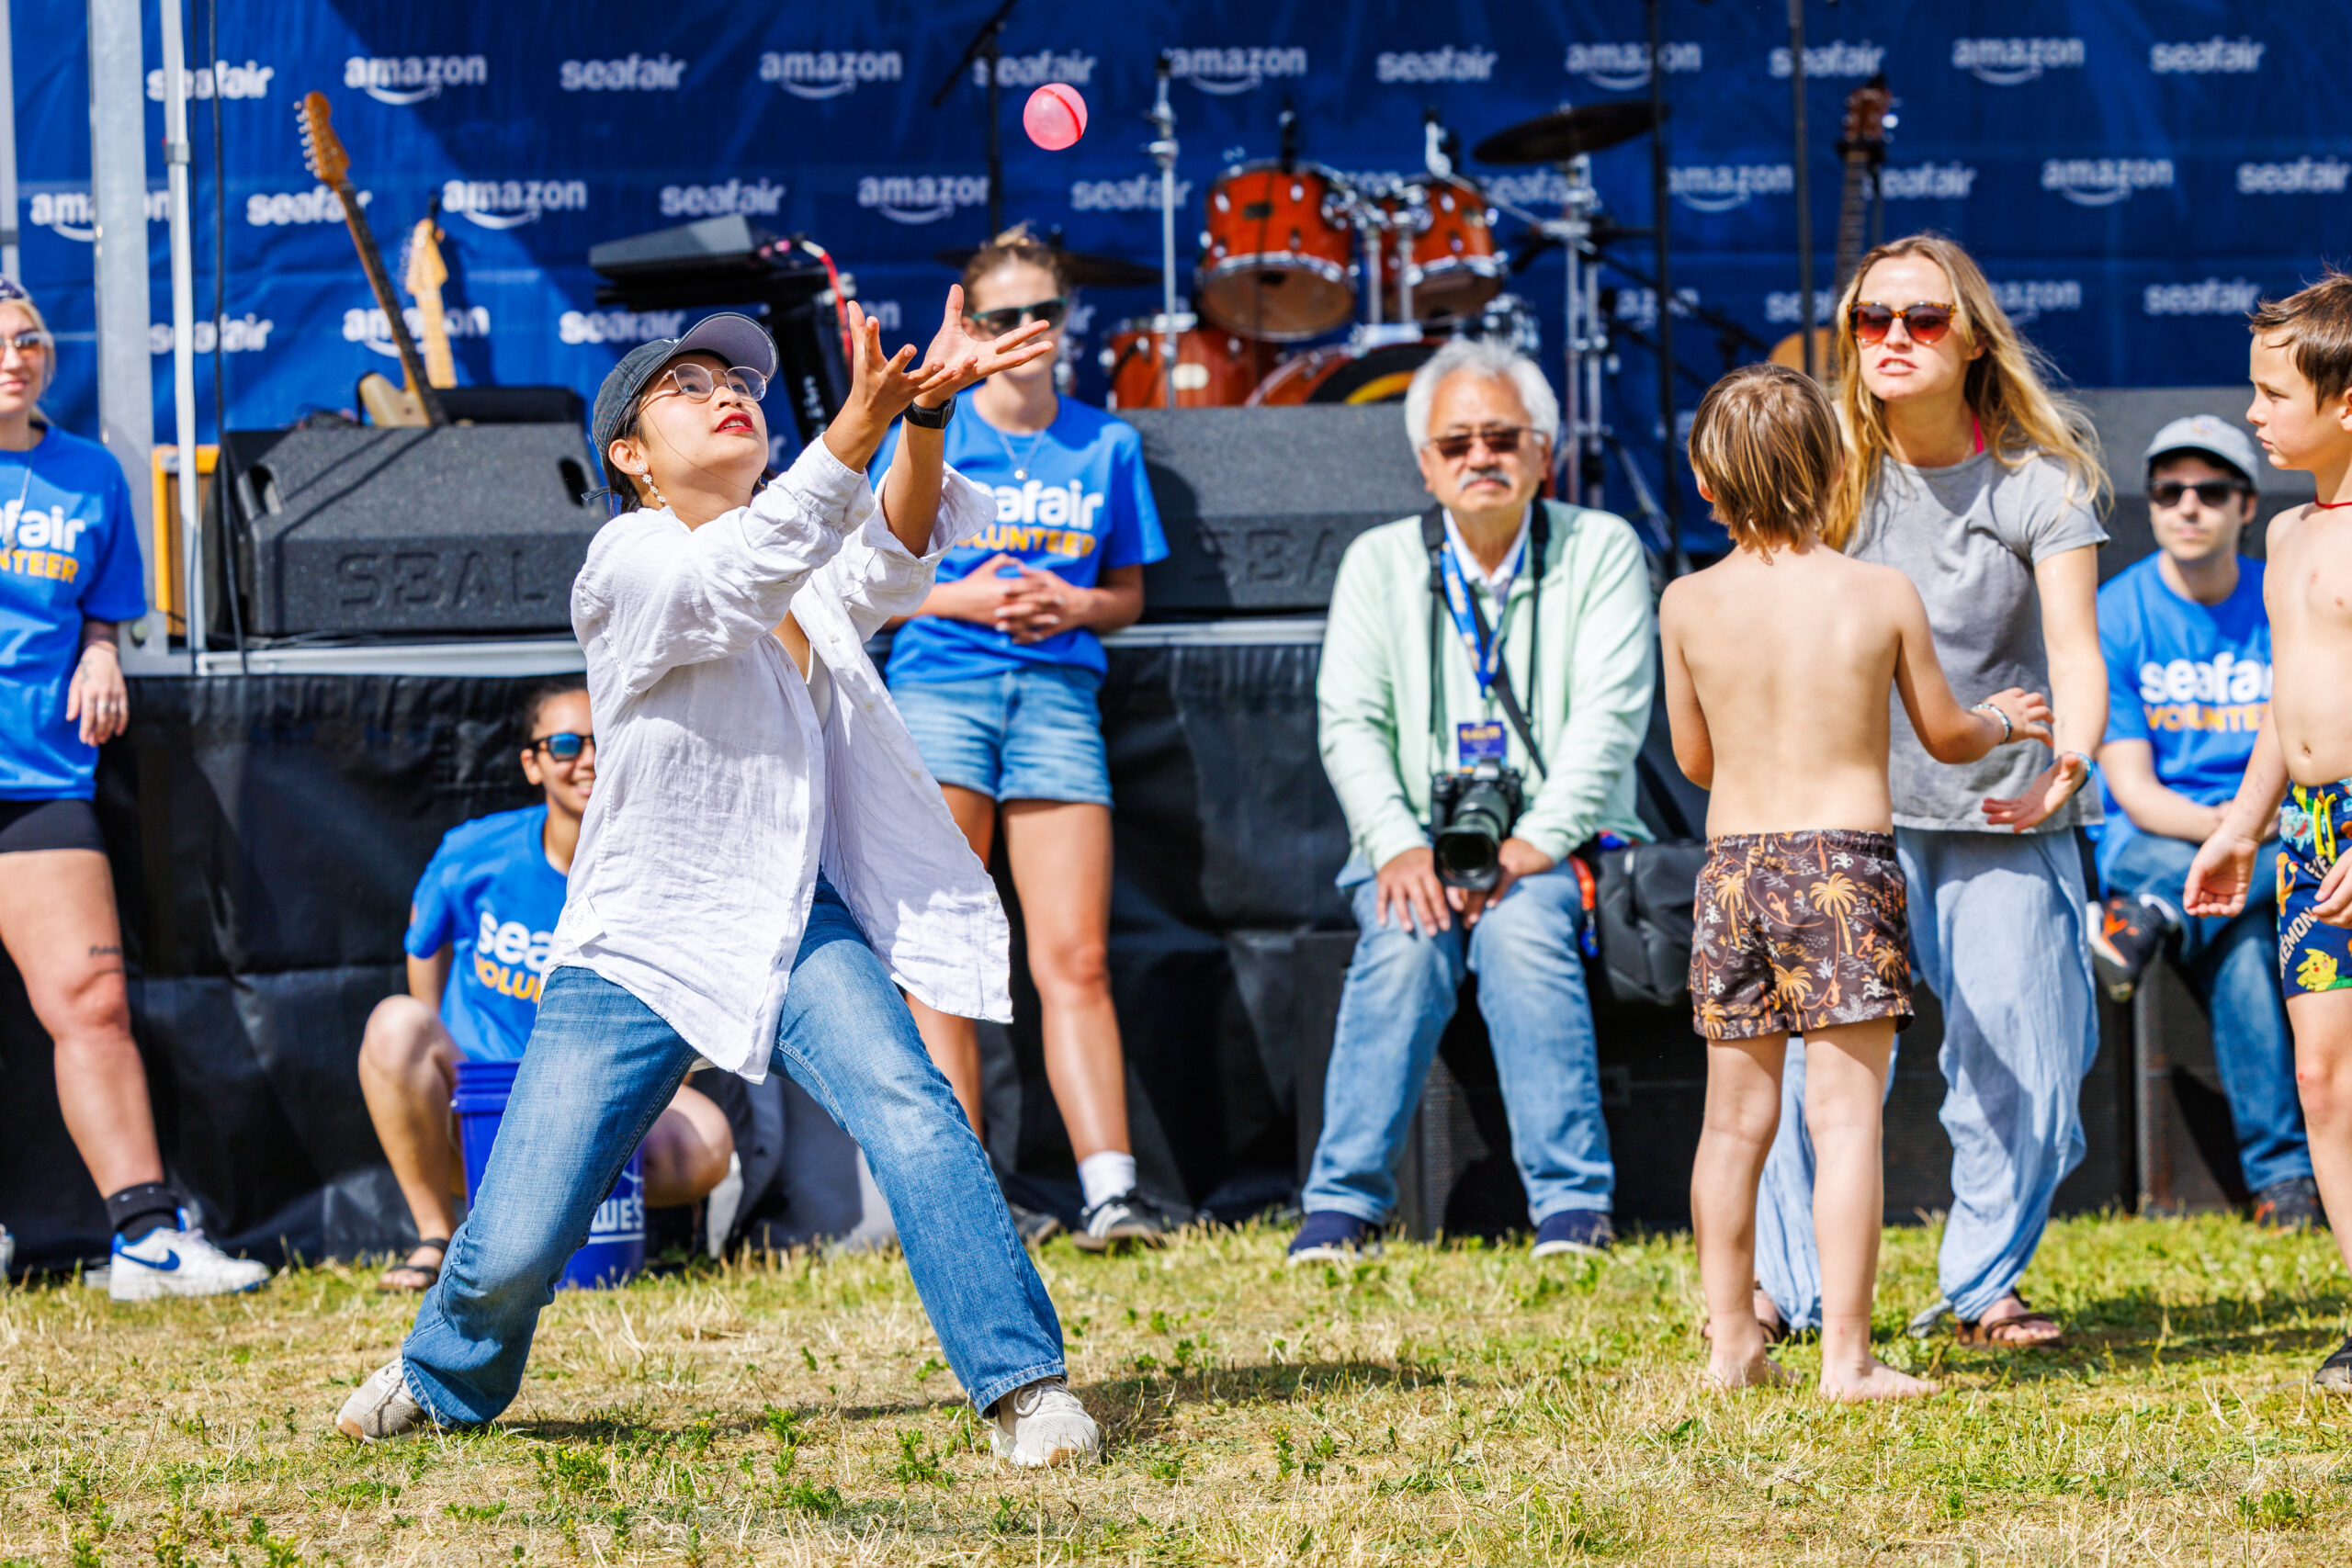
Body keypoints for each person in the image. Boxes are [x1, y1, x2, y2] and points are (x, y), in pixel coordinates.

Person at [336, 292, 1108, 1469]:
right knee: (520, 1235)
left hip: (793, 916)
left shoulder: (798, 551)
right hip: (638, 935)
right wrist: (856, 428)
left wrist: (924, 421)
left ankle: (1023, 1385)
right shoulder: (626, 562)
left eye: (737, 381)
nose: (726, 395)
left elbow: (894, 555)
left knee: (913, 1111)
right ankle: (444, 1370)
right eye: (685, 389)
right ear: (631, 459)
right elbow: (736, 578)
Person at [1663, 364, 2051, 1399]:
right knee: (1843, 1124)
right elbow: (1946, 733)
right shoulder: (1879, 593)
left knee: (1731, 1126)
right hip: (1844, 867)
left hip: (1735, 868)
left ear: (1706, 483)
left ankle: (1732, 1346)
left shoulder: (1687, 602)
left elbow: (1695, 761)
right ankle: (1847, 1358)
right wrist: (2006, 720)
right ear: (1838, 473)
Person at [1751, 234, 2109, 1350]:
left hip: (2003, 809)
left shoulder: (2038, 482)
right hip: (1844, 816)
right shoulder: (1822, 473)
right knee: (1810, 1065)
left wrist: (2070, 762)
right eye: (1871, 319)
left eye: (1921, 318)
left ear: (1973, 341)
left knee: (2031, 1069)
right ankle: (1786, 1290)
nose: (1892, 337)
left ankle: (1982, 1283)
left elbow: (2076, 652)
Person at [1290, 336, 1655, 1265]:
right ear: (1425, 463)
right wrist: (1396, 844)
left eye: (1501, 437)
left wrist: (1535, 843)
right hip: (1412, 841)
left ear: (1544, 450)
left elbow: (1611, 720)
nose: (1479, 457)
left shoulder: (1602, 547)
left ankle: (1572, 1209)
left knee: (1523, 929)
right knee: (1405, 936)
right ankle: (1341, 1207)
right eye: (1456, 443)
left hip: (1558, 845)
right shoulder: (1378, 561)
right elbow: (1348, 722)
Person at [870, 228, 1171, 1253]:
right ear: (972, 324)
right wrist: (962, 596)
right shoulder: (931, 425)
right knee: (942, 956)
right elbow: (869, 584)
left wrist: (1073, 603)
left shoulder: (1107, 442)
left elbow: (1127, 596)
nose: (1024, 331)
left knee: (1075, 955)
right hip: (940, 691)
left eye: (1042, 312)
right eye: (1002, 316)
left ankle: (1112, 1192)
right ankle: (961, 1196)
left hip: (1056, 698)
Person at [0, 276, 269, 1300]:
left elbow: (104, 606)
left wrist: (104, 647)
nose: (16, 359)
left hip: (40, 772)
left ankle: (146, 1240)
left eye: (29, 339)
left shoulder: (88, 472)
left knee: (93, 1000)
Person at [357, 676, 736, 1292]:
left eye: (602, 740)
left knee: (708, 1139)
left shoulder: (661, 862)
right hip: (485, 1100)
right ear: (532, 764)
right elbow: (422, 946)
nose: (587, 759)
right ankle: (436, 1237)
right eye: (564, 744)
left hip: (597, 1097)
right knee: (396, 1027)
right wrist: (434, 1033)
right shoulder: (473, 851)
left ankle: (582, 1236)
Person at [2187, 268, 2352, 1389]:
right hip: (2308, 834)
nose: (2251, 414)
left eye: (2272, 395)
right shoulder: (2289, 532)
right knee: (2324, 1079)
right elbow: (2287, 702)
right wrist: (2243, 826)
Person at [2088, 415, 2315, 1228]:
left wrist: (2248, 827)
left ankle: (2149, 918)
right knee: (2239, 919)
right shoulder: (2117, 610)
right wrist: (2227, 830)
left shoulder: (2282, 595)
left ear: (2247, 506)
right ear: (2150, 504)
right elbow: (2132, 788)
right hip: (2159, 835)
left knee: (2245, 944)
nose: (2188, 506)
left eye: (2211, 490)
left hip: (2270, 826)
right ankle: (2284, 1179)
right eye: (2169, 491)